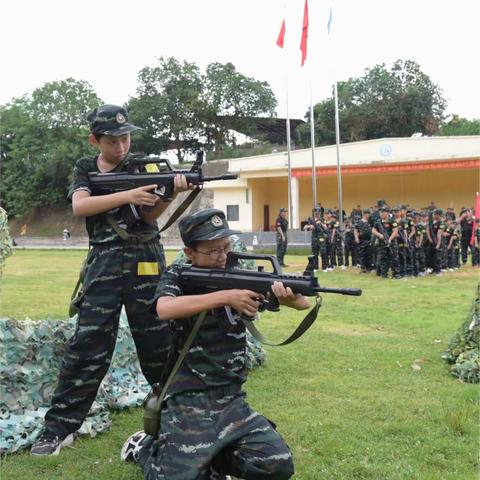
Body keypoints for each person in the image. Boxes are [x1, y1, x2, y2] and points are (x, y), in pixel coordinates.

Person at [31, 104, 191, 456]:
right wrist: (128, 195)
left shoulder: (142, 165)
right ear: (95, 140)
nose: (121, 147)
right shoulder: (86, 168)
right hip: (103, 264)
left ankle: (182, 421)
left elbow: (148, 216)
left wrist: (171, 194)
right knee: (87, 347)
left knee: (159, 343)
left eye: (126, 138)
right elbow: (80, 206)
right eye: (113, 141)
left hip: (145, 260)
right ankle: (58, 429)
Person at [121, 208, 307, 479]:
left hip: (230, 399)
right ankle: (147, 448)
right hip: (187, 398)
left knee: (276, 463)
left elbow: (302, 304)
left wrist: (287, 296)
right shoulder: (178, 276)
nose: (222, 256)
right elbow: (165, 308)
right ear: (190, 253)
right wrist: (225, 296)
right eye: (213, 251)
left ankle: (214, 461)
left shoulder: (238, 276)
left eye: (226, 247)